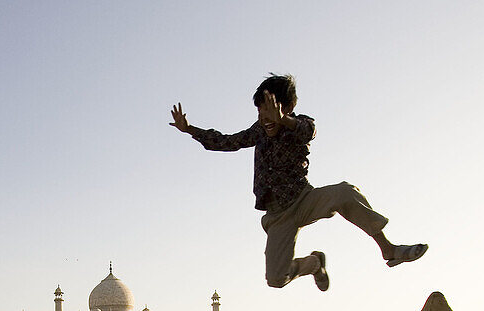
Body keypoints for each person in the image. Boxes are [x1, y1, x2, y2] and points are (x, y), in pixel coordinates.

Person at [171, 74, 427, 291]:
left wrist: (284, 120)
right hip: (278, 215)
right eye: (261, 111)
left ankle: (388, 248)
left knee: (345, 193)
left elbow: (308, 131)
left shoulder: (298, 126)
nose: (265, 117)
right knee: (276, 279)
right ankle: (314, 264)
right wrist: (190, 129)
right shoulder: (258, 131)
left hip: (304, 199)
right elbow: (226, 142)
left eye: (271, 110)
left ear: (287, 108)